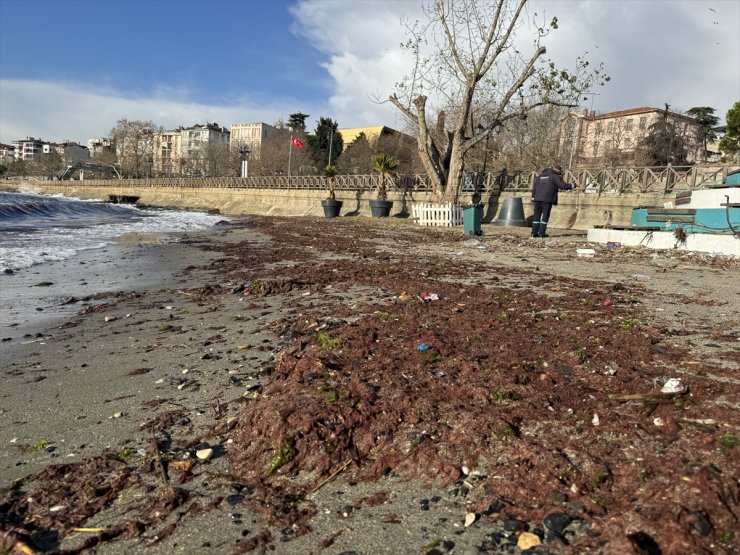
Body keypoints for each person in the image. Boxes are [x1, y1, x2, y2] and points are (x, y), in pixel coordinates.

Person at [531, 164, 579, 237]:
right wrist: (574, 185)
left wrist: (533, 197)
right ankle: (541, 233)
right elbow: (563, 186)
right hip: (547, 199)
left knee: (536, 216)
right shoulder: (555, 176)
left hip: (537, 199)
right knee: (545, 216)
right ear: (558, 170)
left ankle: (533, 233)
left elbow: (535, 187)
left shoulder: (540, 176)